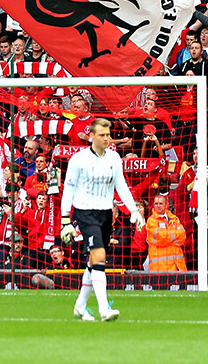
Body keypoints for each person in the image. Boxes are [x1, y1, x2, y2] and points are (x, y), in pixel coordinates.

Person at [60, 117, 143, 322]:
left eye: (108, 135)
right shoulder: (78, 159)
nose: (107, 138)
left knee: (93, 262)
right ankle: (104, 309)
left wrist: (133, 210)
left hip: (105, 214)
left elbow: (121, 185)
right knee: (99, 257)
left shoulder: (114, 158)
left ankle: (80, 306)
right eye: (102, 135)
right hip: (85, 213)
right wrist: (65, 220)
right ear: (91, 136)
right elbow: (68, 189)